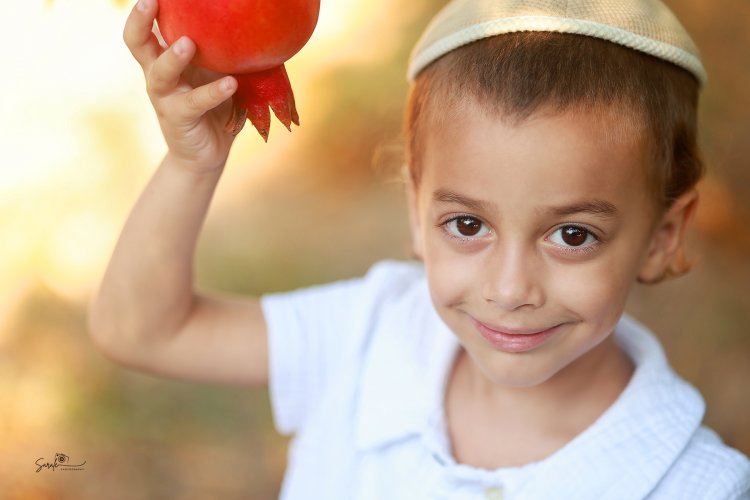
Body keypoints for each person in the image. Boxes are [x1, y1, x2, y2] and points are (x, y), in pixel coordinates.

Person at [89, 0, 750, 498]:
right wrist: (190, 164)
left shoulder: (697, 485)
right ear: (415, 210)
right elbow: (143, 330)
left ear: (663, 237)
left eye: (572, 235)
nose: (510, 287)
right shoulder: (370, 335)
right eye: (467, 225)